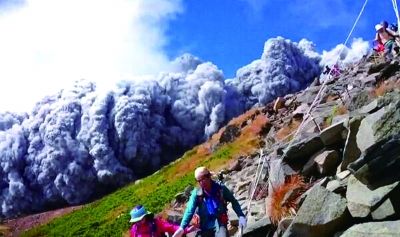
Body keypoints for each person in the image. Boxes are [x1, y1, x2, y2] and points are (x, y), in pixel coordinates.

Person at [173, 167, 247, 237]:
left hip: (219, 223)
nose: (202, 182)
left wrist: (240, 215)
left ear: (209, 176)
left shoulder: (221, 189)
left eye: (203, 179)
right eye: (199, 181)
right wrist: (182, 227)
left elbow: (233, 201)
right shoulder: (196, 193)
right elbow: (189, 210)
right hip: (203, 226)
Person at [129, 205, 194, 237]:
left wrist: (187, 229)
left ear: (145, 216)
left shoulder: (155, 223)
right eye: (137, 221)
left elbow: (171, 227)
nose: (139, 222)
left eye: (141, 219)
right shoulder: (134, 229)